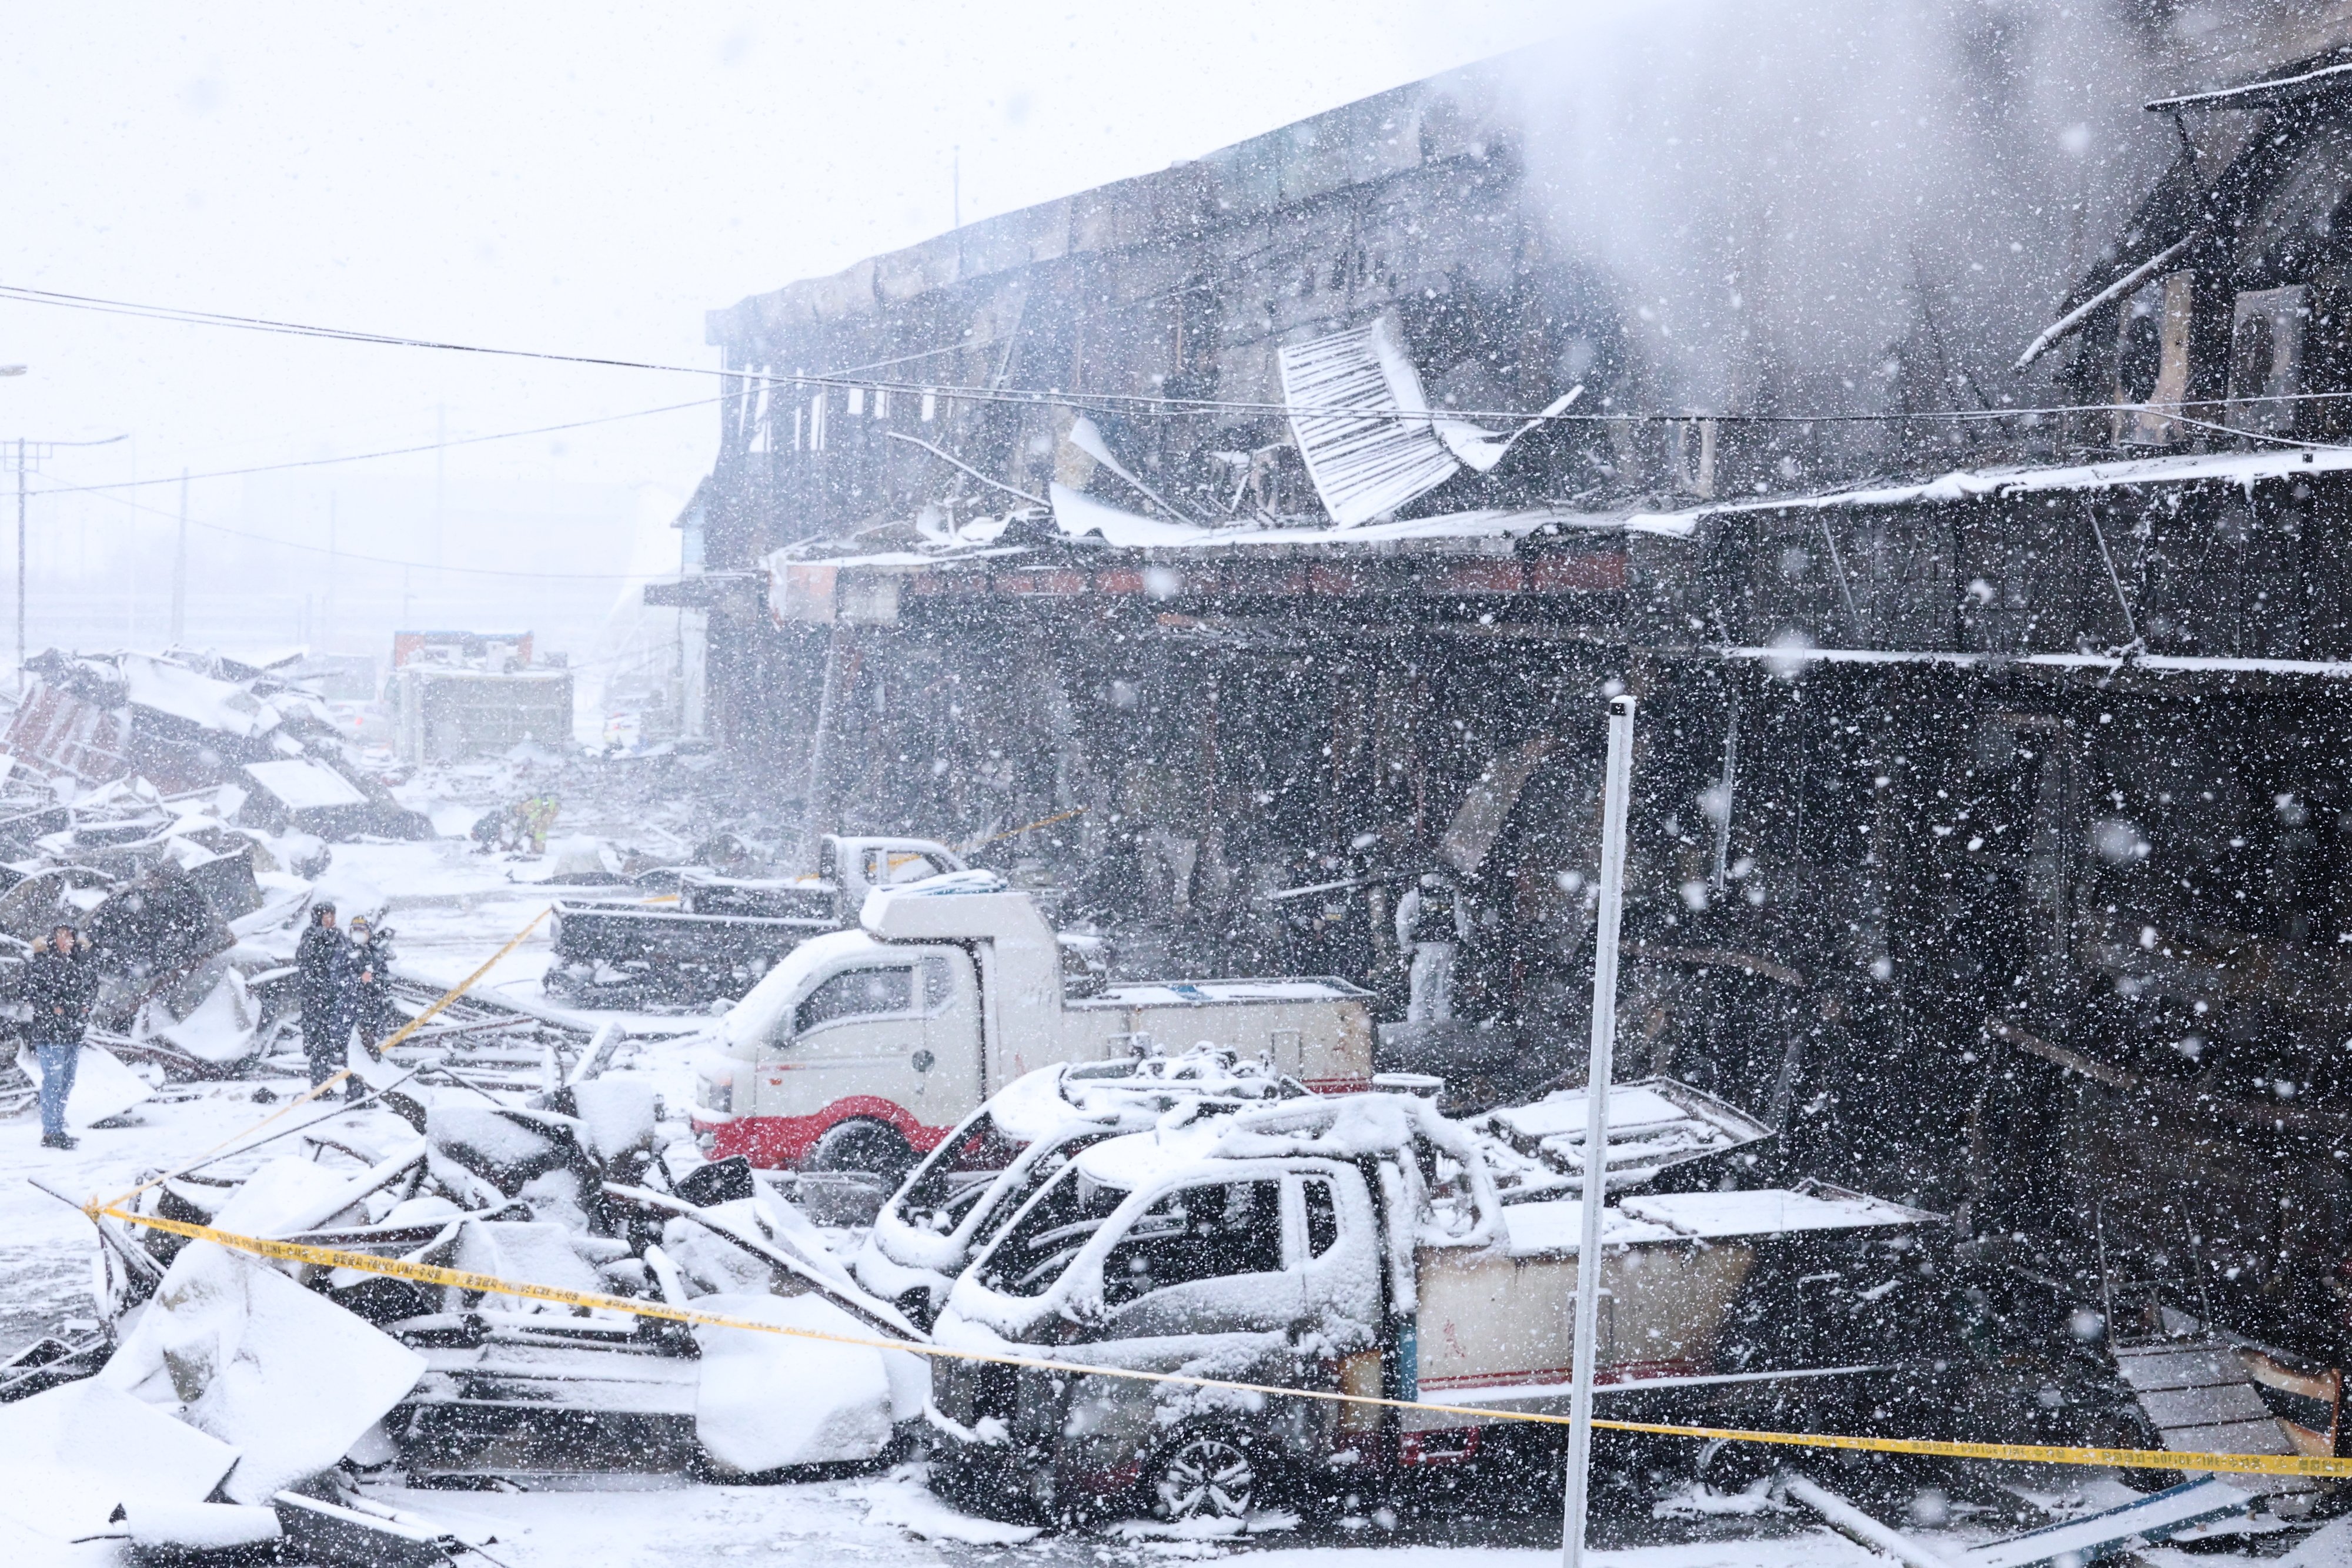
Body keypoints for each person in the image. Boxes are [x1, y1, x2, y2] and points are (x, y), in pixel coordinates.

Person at [25, 924, 97, 1150]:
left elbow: (91, 986)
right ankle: (51, 1131)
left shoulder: (81, 962)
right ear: (53, 939)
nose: (65, 941)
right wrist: (53, 1005)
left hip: (73, 1032)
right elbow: (32, 991)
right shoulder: (43, 963)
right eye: (60, 936)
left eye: (68, 937)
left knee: (67, 1082)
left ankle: (56, 1126)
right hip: (50, 1033)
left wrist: (86, 1006)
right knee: (53, 1082)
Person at [295, 902, 355, 1092]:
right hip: (317, 1004)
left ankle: (351, 1089)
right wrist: (320, 991)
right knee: (320, 1048)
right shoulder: (311, 938)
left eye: (332, 915)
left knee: (345, 1046)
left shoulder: (339, 936)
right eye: (326, 916)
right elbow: (307, 972)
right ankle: (320, 1088)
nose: (330, 920)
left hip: (337, 1001)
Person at [347, 917, 396, 1096]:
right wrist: (358, 980)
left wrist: (375, 981)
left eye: (363, 930)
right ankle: (355, 1093)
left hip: (373, 1008)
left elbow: (386, 979)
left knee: (372, 1050)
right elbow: (338, 979)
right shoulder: (346, 953)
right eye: (356, 930)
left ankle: (371, 1090)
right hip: (352, 1009)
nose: (359, 934)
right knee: (356, 1051)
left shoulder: (375, 953)